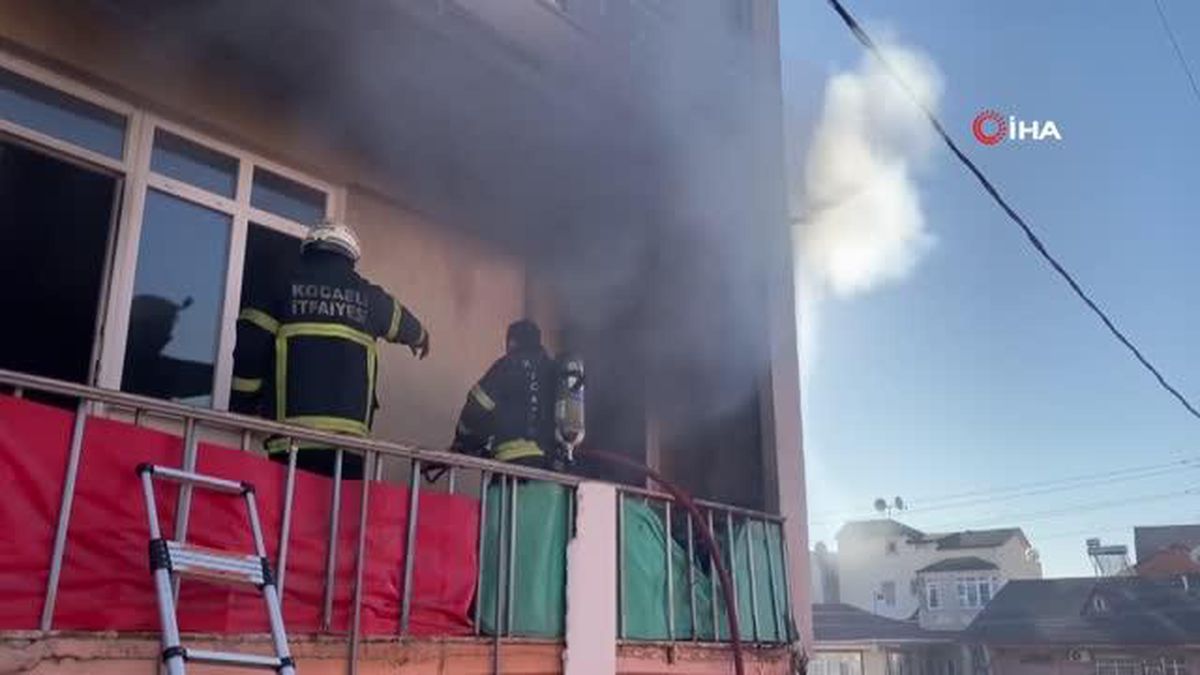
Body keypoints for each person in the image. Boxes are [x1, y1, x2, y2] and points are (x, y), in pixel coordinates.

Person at [230, 219, 430, 478]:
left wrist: (241, 406)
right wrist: (421, 338)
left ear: (310, 248)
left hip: (293, 440)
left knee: (290, 514)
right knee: (336, 517)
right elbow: (409, 326)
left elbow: (250, 349)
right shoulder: (370, 298)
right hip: (349, 445)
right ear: (350, 256)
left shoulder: (278, 286)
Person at [451, 320, 558, 469]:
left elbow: (477, 406)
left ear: (512, 342)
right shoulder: (554, 370)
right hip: (549, 469)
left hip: (510, 467)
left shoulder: (508, 365)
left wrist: (463, 440)